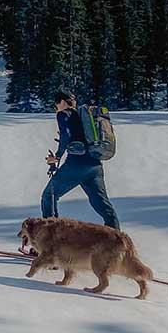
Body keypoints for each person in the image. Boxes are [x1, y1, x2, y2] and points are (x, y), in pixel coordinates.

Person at [41, 89, 120, 229]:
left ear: (63, 102)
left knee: (49, 196)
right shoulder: (83, 116)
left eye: (56, 104)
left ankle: (50, 241)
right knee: (103, 205)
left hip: (76, 165)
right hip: (95, 165)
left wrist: (57, 157)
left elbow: (66, 136)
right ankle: (117, 241)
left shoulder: (63, 114)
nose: (56, 108)